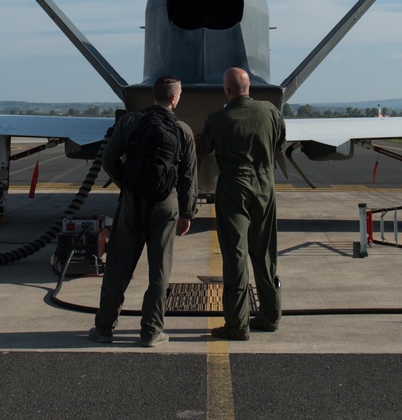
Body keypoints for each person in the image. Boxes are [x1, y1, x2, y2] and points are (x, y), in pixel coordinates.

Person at [88, 76, 198, 347]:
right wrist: (187, 213)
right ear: (174, 98)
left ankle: (104, 327)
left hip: (132, 203)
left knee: (118, 266)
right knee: (160, 270)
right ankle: (151, 330)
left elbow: (109, 159)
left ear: (155, 95)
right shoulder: (183, 130)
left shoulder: (130, 122)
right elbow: (188, 178)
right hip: (165, 205)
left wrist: (127, 184)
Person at [197, 67, 286, 340]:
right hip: (265, 186)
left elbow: (201, 151)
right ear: (249, 87)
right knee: (265, 252)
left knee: (236, 254)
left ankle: (237, 324)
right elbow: (280, 141)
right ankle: (270, 316)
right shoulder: (270, 111)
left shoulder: (219, 118)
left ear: (227, 90)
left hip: (234, 187)